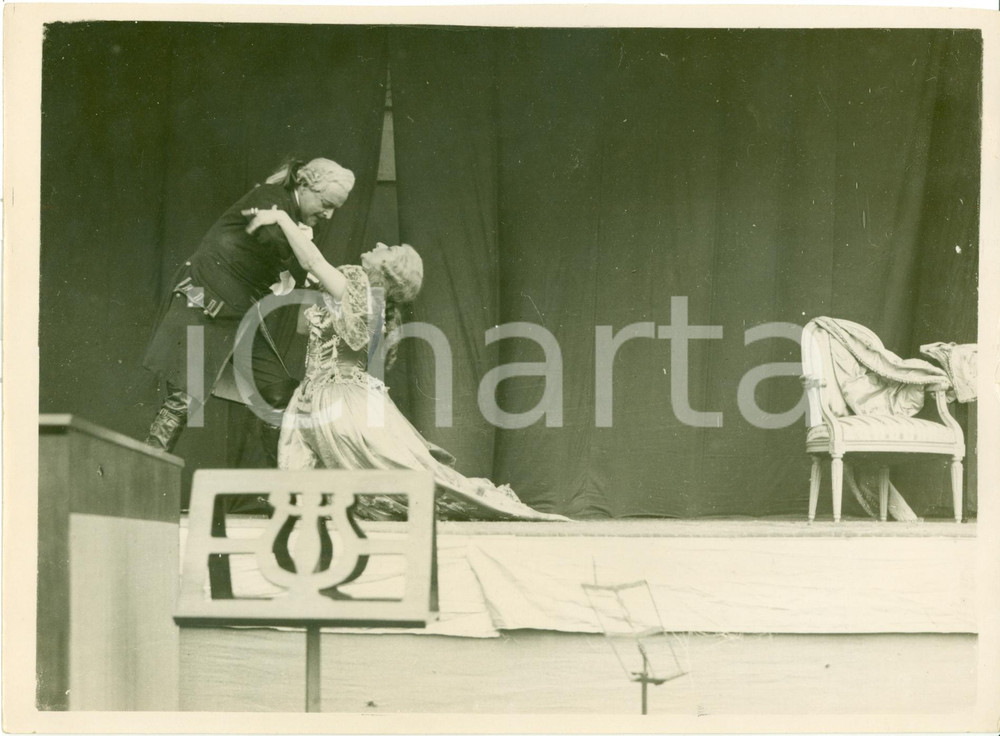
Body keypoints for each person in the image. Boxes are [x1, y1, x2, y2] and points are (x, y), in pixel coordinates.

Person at [242, 207, 567, 521]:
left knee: (388, 482)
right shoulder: (360, 295)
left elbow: (313, 259)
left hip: (337, 399)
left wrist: (281, 218)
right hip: (322, 392)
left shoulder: (364, 296)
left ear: (389, 270)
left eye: (389, 249)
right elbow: (304, 323)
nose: (381, 244)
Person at [142, 157, 355, 454]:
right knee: (184, 397)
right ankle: (145, 473)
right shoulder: (269, 199)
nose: (329, 215)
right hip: (206, 302)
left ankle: (283, 491)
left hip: (239, 313)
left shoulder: (297, 223)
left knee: (280, 396)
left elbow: (300, 269)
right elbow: (273, 240)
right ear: (305, 185)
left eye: (335, 208)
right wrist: (302, 252)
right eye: (327, 203)